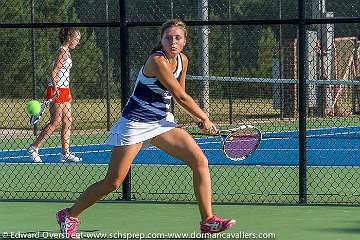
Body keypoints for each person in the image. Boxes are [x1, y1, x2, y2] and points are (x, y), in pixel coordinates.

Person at [55, 19, 235, 237]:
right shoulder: (156, 61)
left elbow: (177, 95)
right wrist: (204, 118)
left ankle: (207, 221)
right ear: (161, 40)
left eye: (178, 38)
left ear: (185, 41)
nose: (173, 42)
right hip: (135, 123)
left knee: (199, 161)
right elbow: (181, 96)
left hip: (160, 123)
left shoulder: (182, 61)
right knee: (113, 181)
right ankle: (70, 214)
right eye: (168, 37)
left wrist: (194, 120)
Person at [27, 28, 82, 163]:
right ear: (69, 38)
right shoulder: (62, 52)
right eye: (76, 39)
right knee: (55, 122)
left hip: (64, 90)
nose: (77, 42)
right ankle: (34, 147)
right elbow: (54, 72)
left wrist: (67, 91)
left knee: (68, 121)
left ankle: (65, 153)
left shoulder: (67, 52)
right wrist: (56, 89)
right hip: (56, 89)